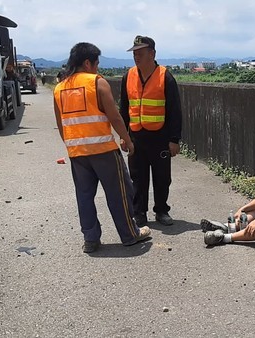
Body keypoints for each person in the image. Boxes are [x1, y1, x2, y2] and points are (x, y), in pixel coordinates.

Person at [53, 42, 151, 253]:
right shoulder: (97, 83)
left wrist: (73, 146)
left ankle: (90, 239)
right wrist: (128, 140)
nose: (97, 68)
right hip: (103, 150)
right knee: (120, 193)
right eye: (96, 63)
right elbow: (115, 116)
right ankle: (130, 234)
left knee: (84, 196)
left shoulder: (59, 88)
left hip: (77, 153)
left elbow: (61, 125)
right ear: (88, 63)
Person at [119, 35, 182, 227]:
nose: (136, 56)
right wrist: (124, 136)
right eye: (135, 53)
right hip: (136, 136)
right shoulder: (128, 76)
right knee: (137, 177)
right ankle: (139, 213)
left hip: (160, 137)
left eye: (140, 53)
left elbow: (175, 110)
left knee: (162, 177)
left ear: (152, 54)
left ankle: (161, 210)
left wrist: (174, 140)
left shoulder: (165, 77)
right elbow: (124, 108)